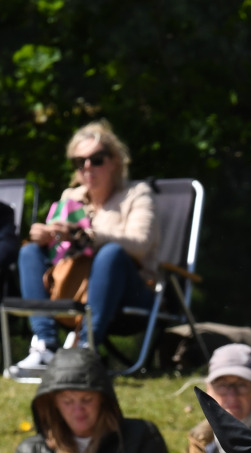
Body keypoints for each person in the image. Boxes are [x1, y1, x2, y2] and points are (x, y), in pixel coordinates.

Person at [8, 122, 159, 379]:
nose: (87, 167)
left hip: (129, 292)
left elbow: (141, 244)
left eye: (96, 159)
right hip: (73, 289)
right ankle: (45, 345)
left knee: (111, 253)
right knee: (29, 252)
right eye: (80, 162)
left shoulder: (137, 194)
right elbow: (56, 252)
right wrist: (43, 237)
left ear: (115, 161)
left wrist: (87, 237)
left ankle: (85, 347)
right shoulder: (70, 198)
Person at [10, 347, 174, 453]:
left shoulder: (140, 437)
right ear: (53, 404)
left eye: (87, 400)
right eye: (67, 401)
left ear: (102, 399)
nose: (78, 410)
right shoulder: (30, 451)